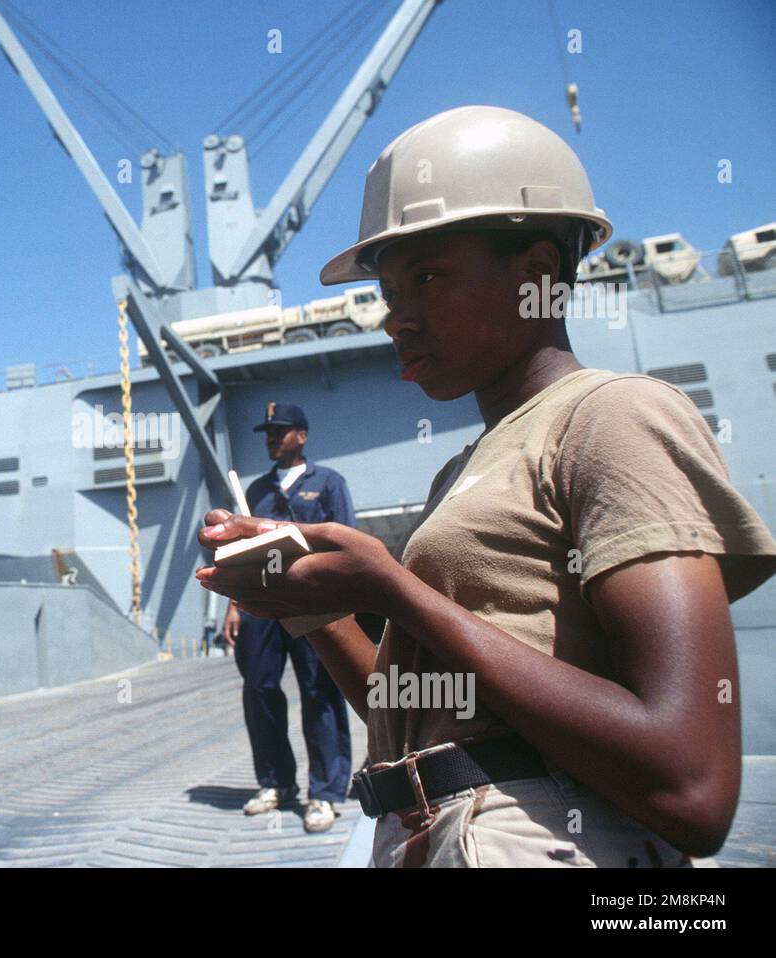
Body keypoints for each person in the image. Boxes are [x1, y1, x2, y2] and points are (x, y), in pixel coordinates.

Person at [196, 105, 776, 866]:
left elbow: (693, 786)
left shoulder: (614, 416)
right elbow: (407, 711)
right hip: (431, 833)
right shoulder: (463, 470)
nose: (394, 319)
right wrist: (314, 610)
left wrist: (395, 591)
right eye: (388, 291)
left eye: (426, 278)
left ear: (536, 273)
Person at [224, 401, 356, 833]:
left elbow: (345, 547)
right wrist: (232, 606)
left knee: (319, 692)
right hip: (260, 606)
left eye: (280, 431)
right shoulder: (257, 491)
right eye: (267, 432)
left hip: (311, 603)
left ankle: (325, 792)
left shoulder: (329, 484)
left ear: (301, 435)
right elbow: (239, 555)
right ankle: (276, 782)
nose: (271, 438)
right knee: (259, 688)